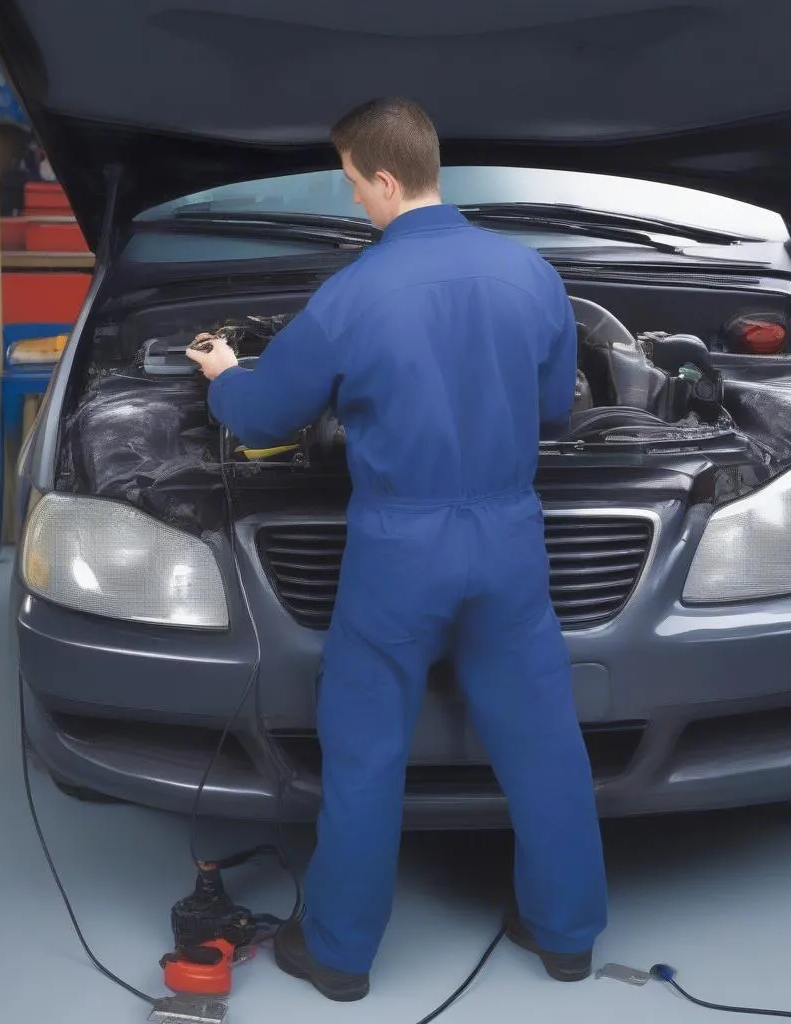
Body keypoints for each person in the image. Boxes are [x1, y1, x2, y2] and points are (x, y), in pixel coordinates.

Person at [186, 96, 607, 1002]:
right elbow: (554, 411)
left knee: (367, 750)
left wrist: (224, 375)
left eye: (352, 186)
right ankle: (565, 935)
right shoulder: (532, 274)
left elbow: (264, 418)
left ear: (384, 177)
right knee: (542, 743)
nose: (354, 206)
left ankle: (339, 958)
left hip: (399, 548)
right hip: (506, 539)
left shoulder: (353, 293)